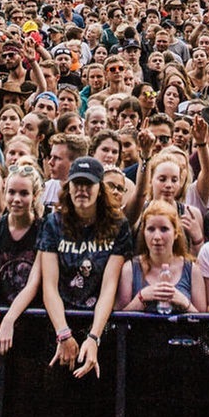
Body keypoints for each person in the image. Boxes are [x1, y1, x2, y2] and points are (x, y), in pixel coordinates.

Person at [31, 156, 132, 377]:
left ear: (100, 189)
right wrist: (63, 333)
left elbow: (109, 286)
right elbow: (49, 285)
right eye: (77, 184)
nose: (82, 191)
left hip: (99, 323)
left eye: (89, 185)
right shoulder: (53, 222)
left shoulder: (118, 225)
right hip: (59, 321)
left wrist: (94, 337)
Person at [0, 163, 45, 357]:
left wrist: (9, 320)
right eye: (12, 192)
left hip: (32, 318)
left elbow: (34, 281)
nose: (16, 199)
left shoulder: (44, 228)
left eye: (24, 194)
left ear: (34, 196)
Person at [119, 199, 195, 313]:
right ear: (143, 232)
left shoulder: (192, 270)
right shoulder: (130, 269)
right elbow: (118, 321)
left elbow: (204, 322)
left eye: (164, 229)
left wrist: (184, 302)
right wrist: (142, 297)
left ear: (175, 233)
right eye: (151, 229)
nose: (157, 236)